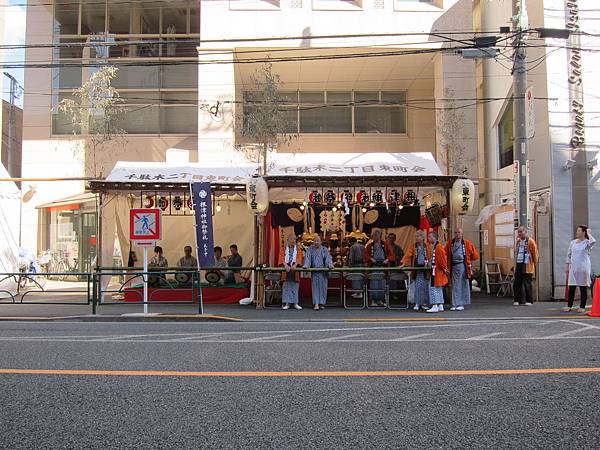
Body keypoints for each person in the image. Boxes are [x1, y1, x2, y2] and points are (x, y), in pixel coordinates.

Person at [446, 229, 480, 311]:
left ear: (462, 234)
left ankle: (461, 303)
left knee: (463, 285)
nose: (457, 234)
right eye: (456, 232)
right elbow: (445, 253)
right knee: (455, 285)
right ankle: (455, 303)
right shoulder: (450, 243)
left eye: (459, 233)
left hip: (462, 265)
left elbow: (474, 255)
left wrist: (469, 262)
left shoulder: (467, 243)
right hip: (453, 266)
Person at [564, 226, 596, 313]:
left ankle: (582, 306)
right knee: (572, 287)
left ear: (583, 232)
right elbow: (569, 254)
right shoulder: (573, 242)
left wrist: (589, 233)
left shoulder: (587, 243)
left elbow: (593, 241)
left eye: (579, 231)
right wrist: (567, 265)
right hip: (573, 267)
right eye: (577, 230)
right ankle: (569, 305)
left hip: (583, 267)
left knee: (583, 287)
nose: (577, 232)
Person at [401, 230, 430, 311]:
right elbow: (408, 255)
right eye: (416, 236)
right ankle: (417, 303)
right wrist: (403, 263)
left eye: (418, 236)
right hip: (417, 269)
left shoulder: (427, 246)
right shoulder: (413, 246)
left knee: (425, 287)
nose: (417, 238)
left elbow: (430, 256)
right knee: (418, 287)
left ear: (423, 237)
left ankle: (424, 303)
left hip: (425, 269)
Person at [364, 229, 394, 307]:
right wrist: (371, 258)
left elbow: (392, 254)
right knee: (374, 283)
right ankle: (373, 300)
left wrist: (387, 259)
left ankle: (380, 299)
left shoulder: (385, 244)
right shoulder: (370, 246)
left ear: (380, 236)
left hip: (383, 267)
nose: (375, 237)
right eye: (374, 235)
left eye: (377, 235)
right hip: (373, 267)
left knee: (382, 284)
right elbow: (366, 255)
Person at [304, 234, 334, 311]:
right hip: (315, 271)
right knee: (315, 287)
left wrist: (330, 265)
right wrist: (306, 265)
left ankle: (322, 303)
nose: (316, 242)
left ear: (321, 242)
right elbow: (307, 258)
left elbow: (328, 259)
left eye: (318, 241)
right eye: (315, 241)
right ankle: (316, 303)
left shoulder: (325, 249)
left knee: (323, 287)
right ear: (313, 242)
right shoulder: (310, 249)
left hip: (323, 271)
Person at [513, 226, 538, 306]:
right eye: (518, 232)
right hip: (519, 263)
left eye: (521, 232)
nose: (519, 233)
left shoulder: (531, 241)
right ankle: (518, 300)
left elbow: (535, 253)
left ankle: (529, 300)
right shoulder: (518, 241)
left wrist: (534, 263)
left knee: (527, 283)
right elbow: (516, 252)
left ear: (525, 232)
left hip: (527, 264)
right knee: (517, 283)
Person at [278, 234, 303, 310]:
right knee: (286, 286)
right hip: (286, 269)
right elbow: (281, 257)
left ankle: (295, 303)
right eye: (291, 239)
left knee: (295, 286)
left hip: (294, 269)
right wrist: (285, 265)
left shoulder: (298, 249)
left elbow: (299, 258)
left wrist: (295, 264)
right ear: (287, 240)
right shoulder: (283, 249)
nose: (293, 241)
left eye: (294, 239)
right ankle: (287, 303)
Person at [426, 232, 448, 313]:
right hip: (437, 271)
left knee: (433, 288)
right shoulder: (437, 246)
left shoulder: (438, 247)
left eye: (429, 237)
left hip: (436, 271)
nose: (428, 238)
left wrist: (445, 268)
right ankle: (440, 304)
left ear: (434, 237)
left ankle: (435, 304)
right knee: (439, 288)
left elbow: (442, 259)